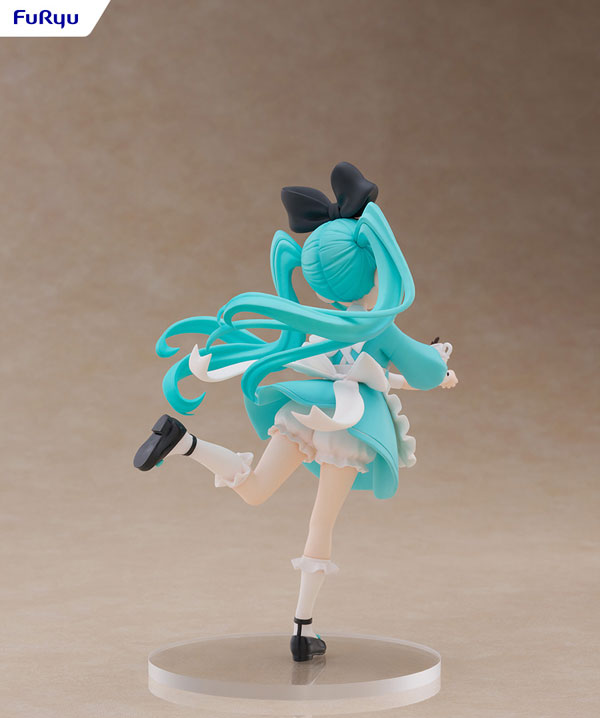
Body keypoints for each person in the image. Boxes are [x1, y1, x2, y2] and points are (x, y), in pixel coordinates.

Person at [134, 162, 457, 661]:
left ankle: (185, 443)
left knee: (256, 490)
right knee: (320, 525)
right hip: (347, 426)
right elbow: (419, 370)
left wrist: (410, 377)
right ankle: (303, 631)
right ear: (376, 266)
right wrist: (441, 368)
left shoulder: (315, 320)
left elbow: (367, 373)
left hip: (304, 408)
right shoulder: (380, 326)